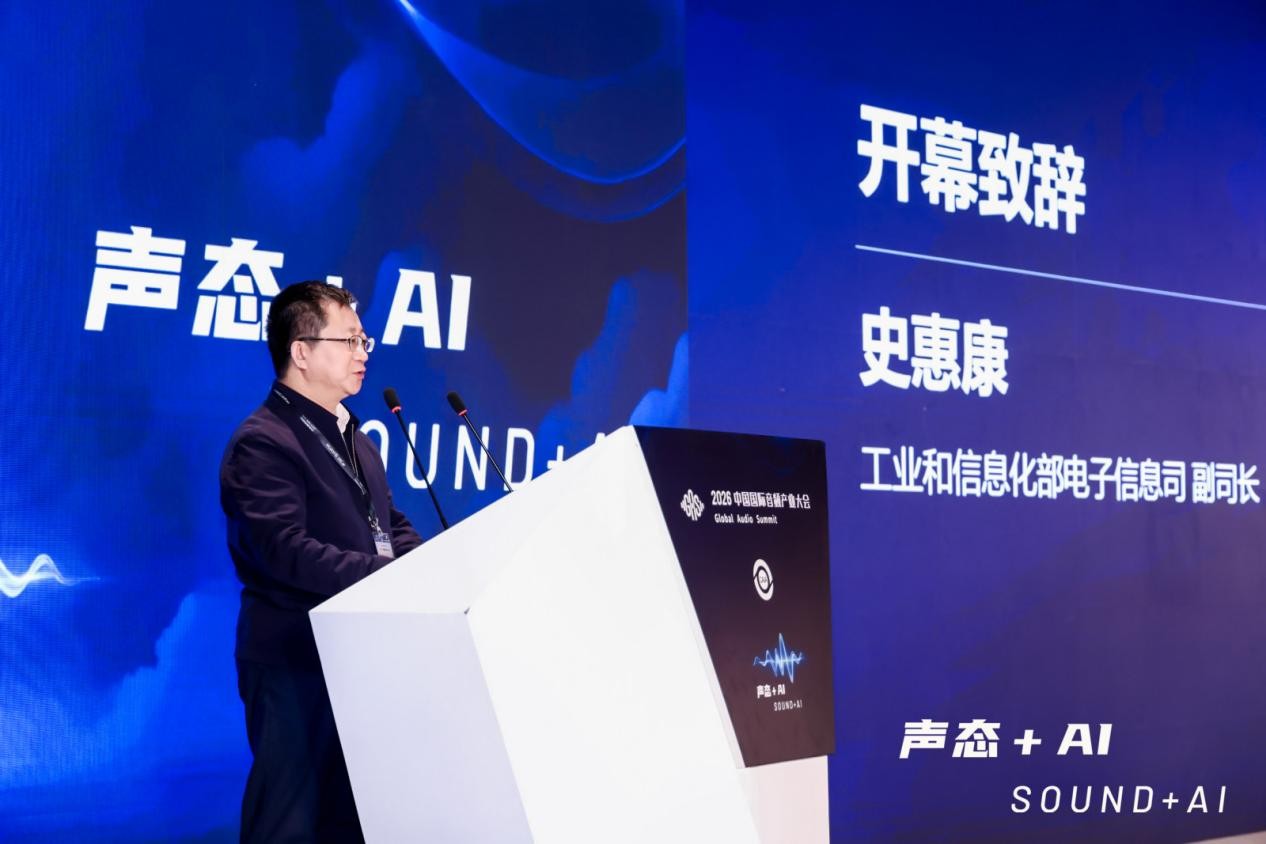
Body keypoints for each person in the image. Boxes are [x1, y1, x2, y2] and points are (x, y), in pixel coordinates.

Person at [220, 280, 422, 842]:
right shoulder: (264, 441)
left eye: (364, 341)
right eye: (349, 340)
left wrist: (428, 567)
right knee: (289, 823)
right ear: (302, 351)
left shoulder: (355, 436)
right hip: (295, 662)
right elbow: (282, 549)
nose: (363, 352)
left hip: (358, 659)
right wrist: (387, 576)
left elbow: (388, 523)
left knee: (350, 823)